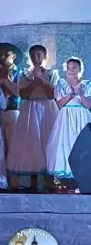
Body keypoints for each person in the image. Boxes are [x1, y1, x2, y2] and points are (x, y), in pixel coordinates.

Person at [7, 44, 59, 190]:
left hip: (48, 108)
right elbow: (22, 94)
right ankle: (33, 182)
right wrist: (34, 81)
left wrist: (41, 80)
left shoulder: (52, 74)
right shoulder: (24, 74)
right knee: (32, 143)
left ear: (44, 57)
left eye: (39, 55)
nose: (36, 58)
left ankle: (50, 181)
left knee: (48, 141)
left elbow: (52, 94)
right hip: (30, 109)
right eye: (33, 55)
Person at [46, 57, 91, 185]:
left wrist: (80, 93)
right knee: (65, 144)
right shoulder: (61, 84)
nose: (71, 70)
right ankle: (66, 178)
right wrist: (70, 94)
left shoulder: (87, 84)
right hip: (66, 117)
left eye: (74, 67)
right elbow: (59, 104)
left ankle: (82, 176)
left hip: (82, 118)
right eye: (69, 68)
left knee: (81, 144)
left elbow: (87, 105)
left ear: (80, 69)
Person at [0, 42, 23, 152]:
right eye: (1, 55)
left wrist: (5, 81)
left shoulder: (21, 72)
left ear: (13, 56)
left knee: (12, 146)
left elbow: (19, 92)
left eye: (6, 54)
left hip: (13, 111)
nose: (3, 57)